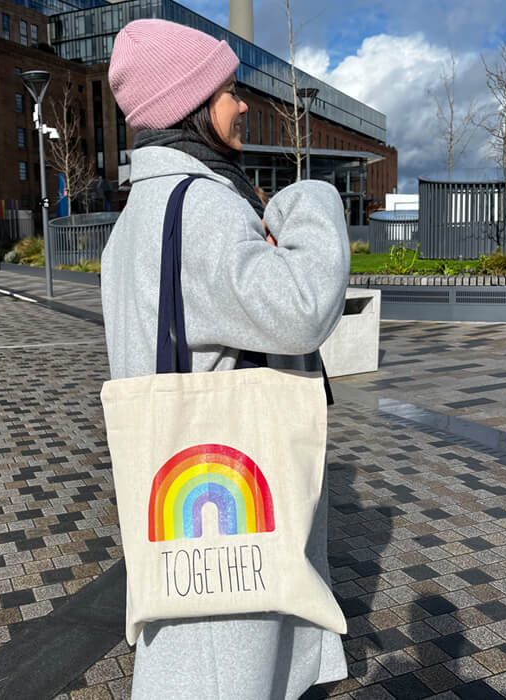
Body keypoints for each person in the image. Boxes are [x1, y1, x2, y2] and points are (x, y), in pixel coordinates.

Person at [104, 19, 350, 700]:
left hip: (179, 491)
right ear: (191, 105)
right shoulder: (202, 210)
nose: (242, 105)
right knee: (223, 675)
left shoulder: (137, 216)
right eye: (229, 90)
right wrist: (311, 201)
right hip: (228, 498)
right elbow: (300, 308)